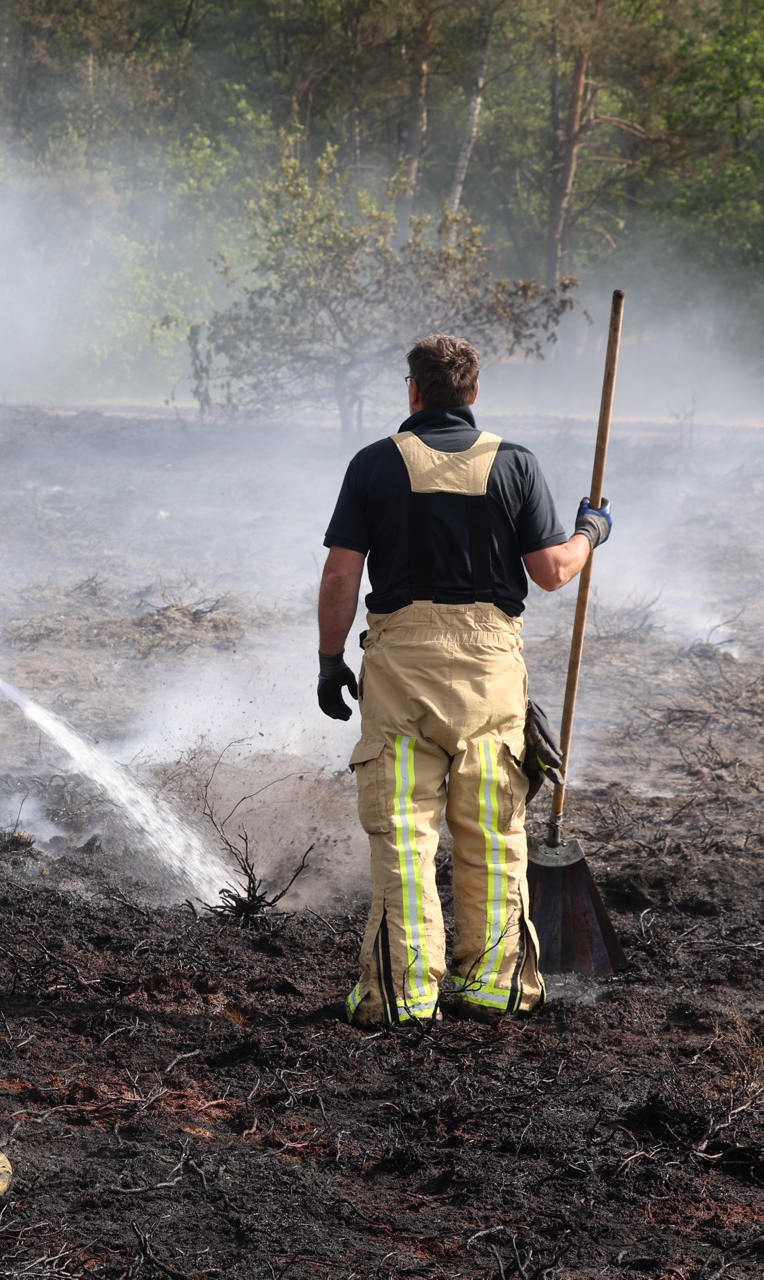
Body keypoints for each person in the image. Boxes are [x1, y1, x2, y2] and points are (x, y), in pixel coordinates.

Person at [316, 334, 613, 1026]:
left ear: (414, 392)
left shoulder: (374, 464)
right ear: (474, 394)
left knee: (403, 832)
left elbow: (340, 573)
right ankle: (496, 989)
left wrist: (331, 661)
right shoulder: (514, 463)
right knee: (492, 829)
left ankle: (403, 995)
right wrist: (591, 532)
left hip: (400, 670)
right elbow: (551, 573)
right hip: (489, 670)